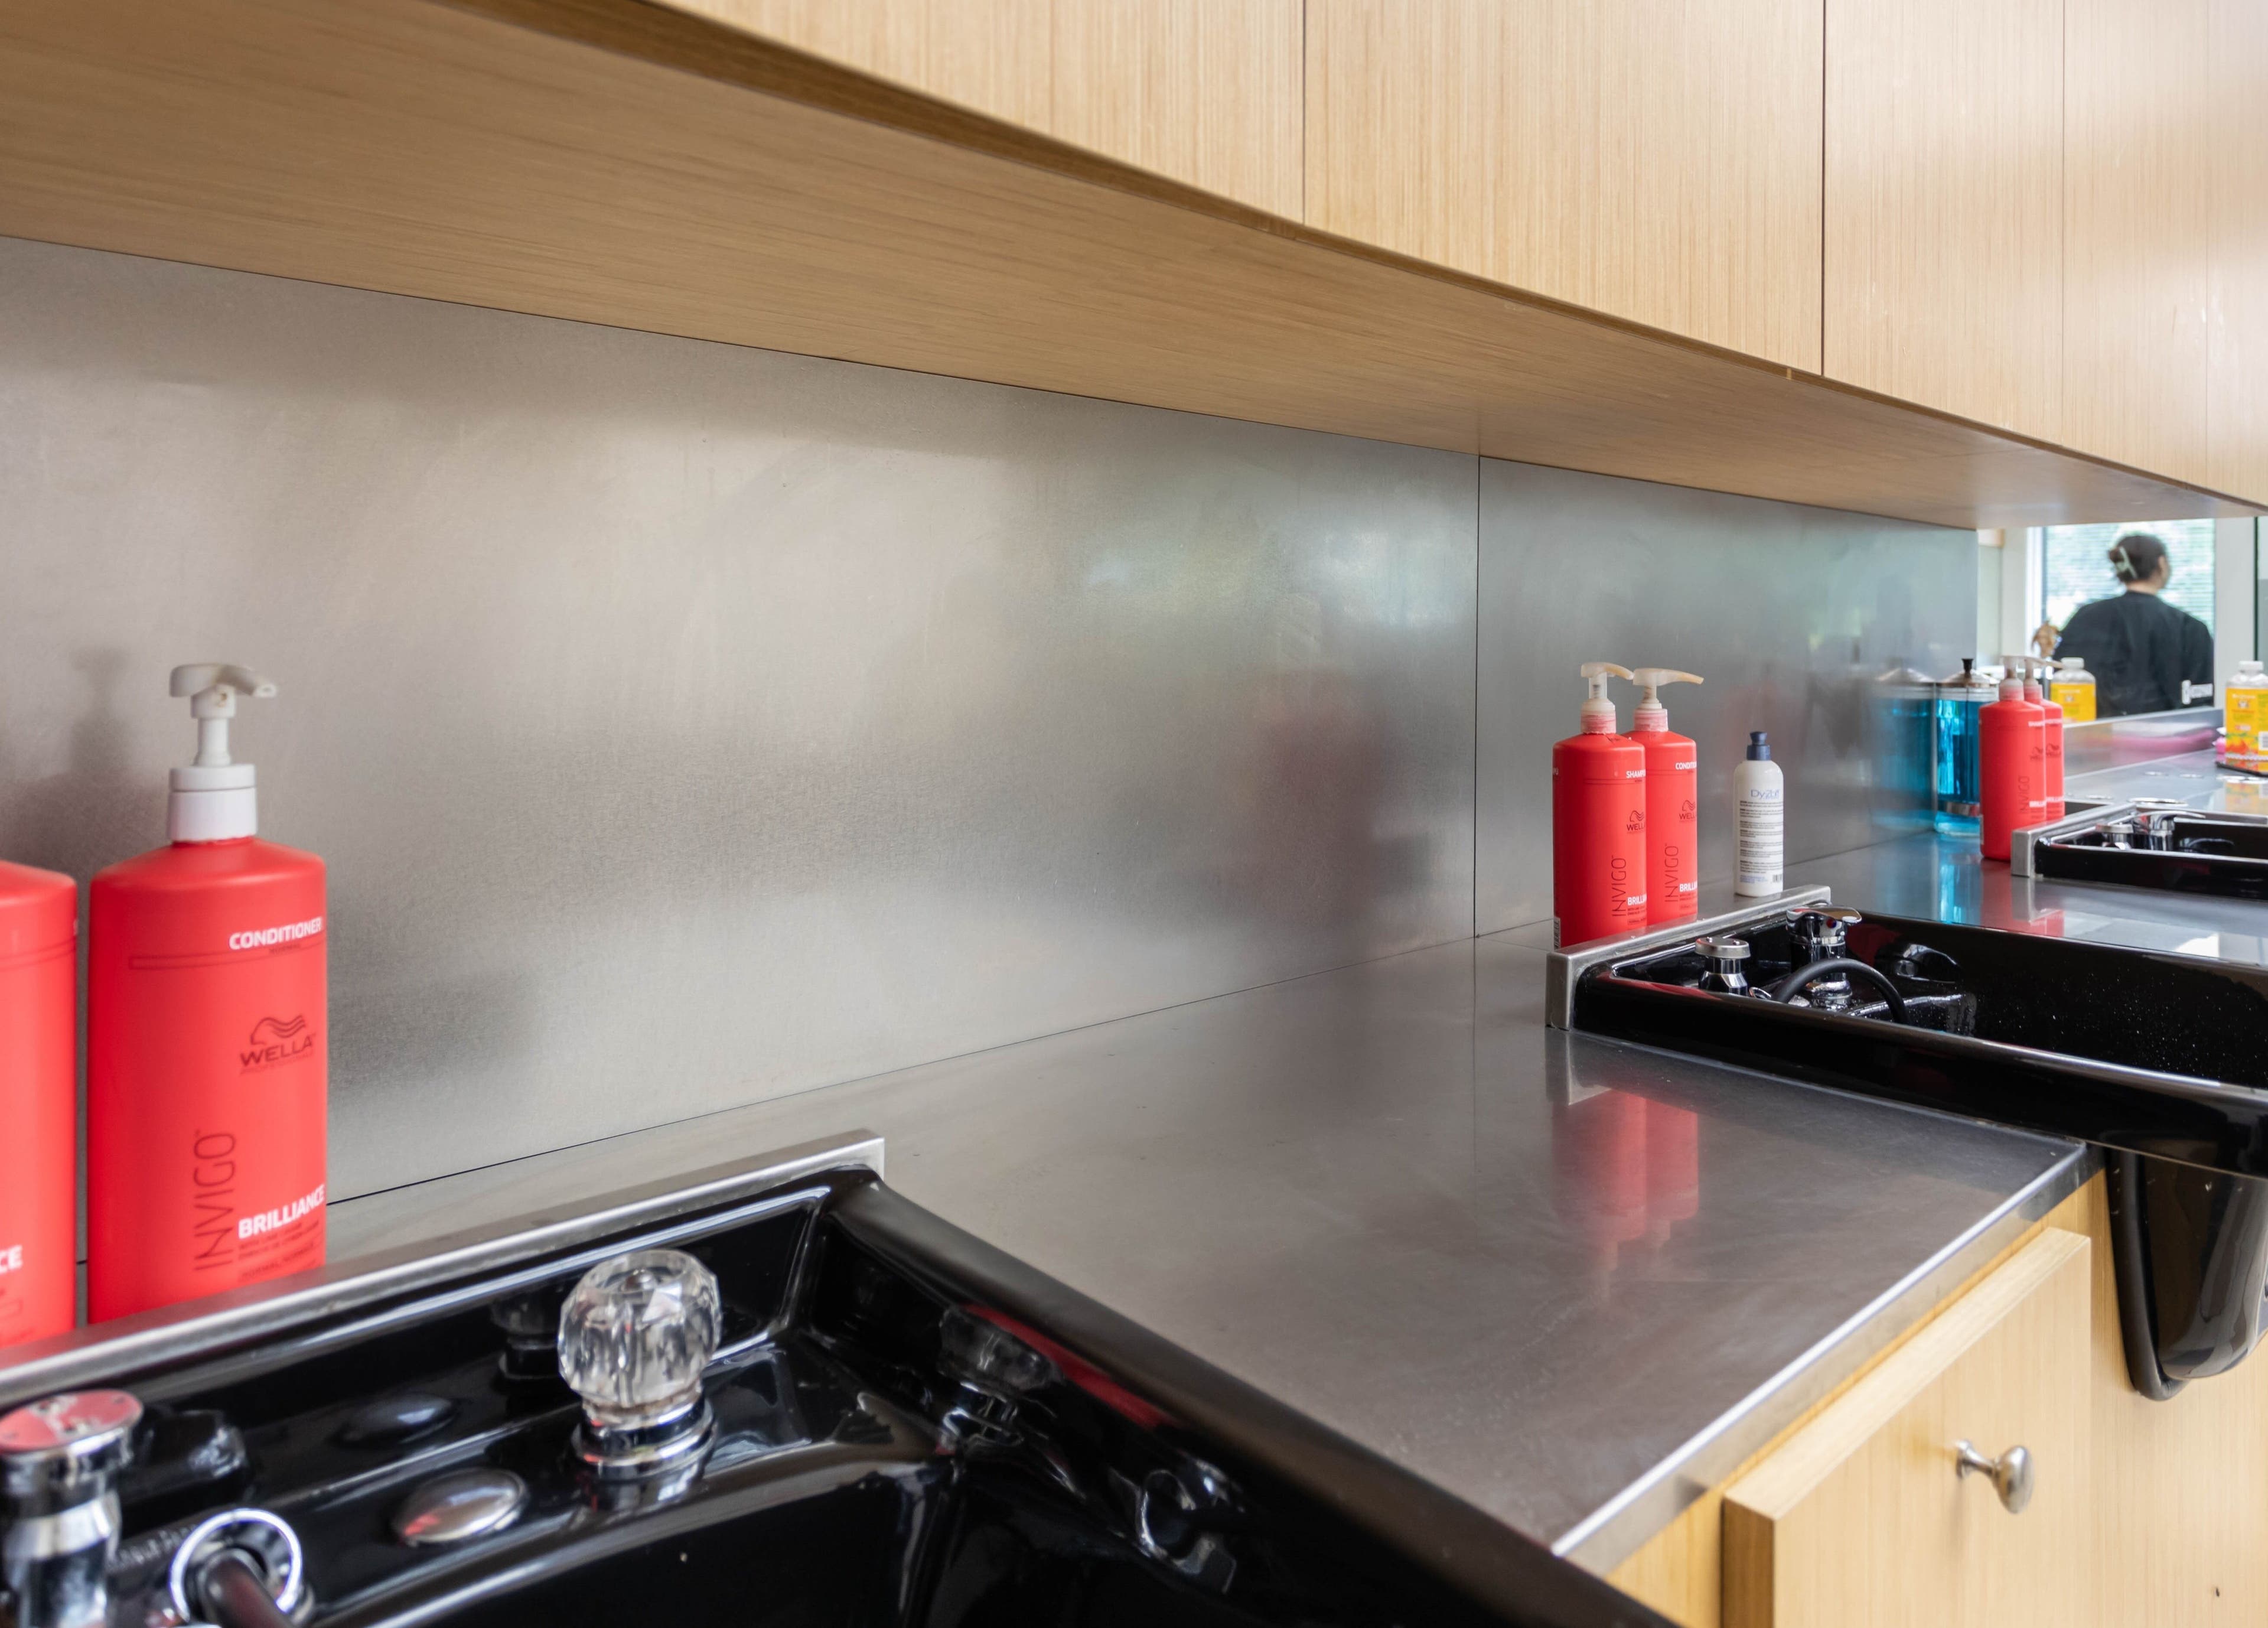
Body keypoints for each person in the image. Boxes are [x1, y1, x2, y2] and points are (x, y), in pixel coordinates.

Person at [2049, 533, 2213, 716]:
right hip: (2165, 740)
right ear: (2162, 564)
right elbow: (2200, 707)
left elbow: (2060, 680)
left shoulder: (2085, 618)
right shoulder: (2190, 628)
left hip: (2089, 736)